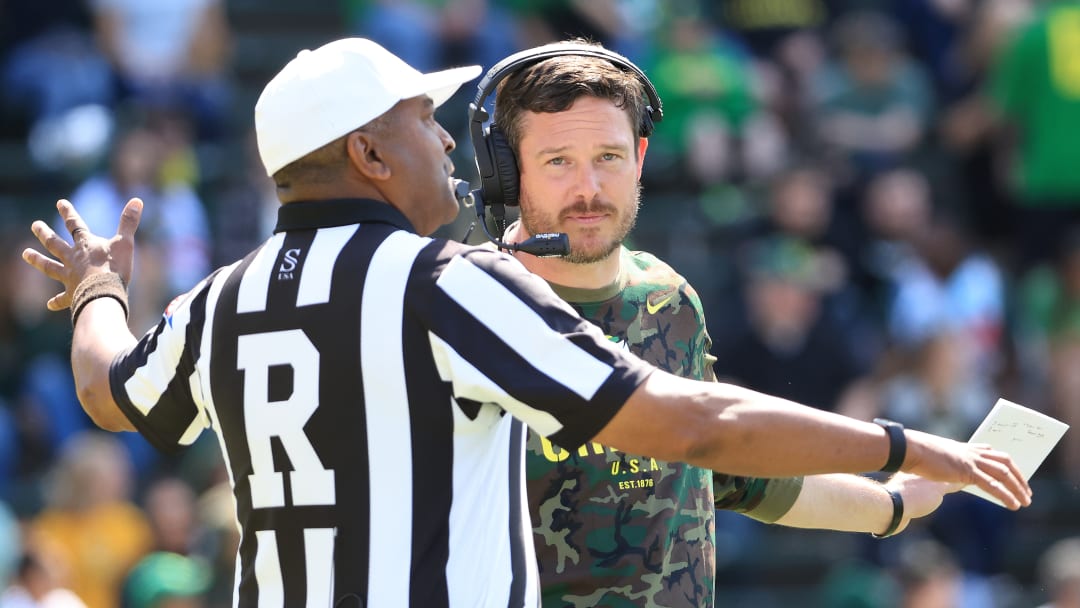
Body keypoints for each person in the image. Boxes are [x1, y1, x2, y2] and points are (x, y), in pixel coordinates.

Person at [19, 37, 1031, 607]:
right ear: (370, 154)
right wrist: (910, 442)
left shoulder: (221, 296)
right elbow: (701, 428)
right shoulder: (447, 282)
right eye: (424, 121)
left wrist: (101, 287)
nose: (450, 147)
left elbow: (110, 389)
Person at [477, 40, 1021, 607]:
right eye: (558, 160)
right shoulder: (468, 304)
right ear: (509, 173)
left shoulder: (667, 299)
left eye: (607, 157)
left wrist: (895, 504)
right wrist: (902, 449)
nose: (588, 188)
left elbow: (733, 471)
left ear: (639, 157)